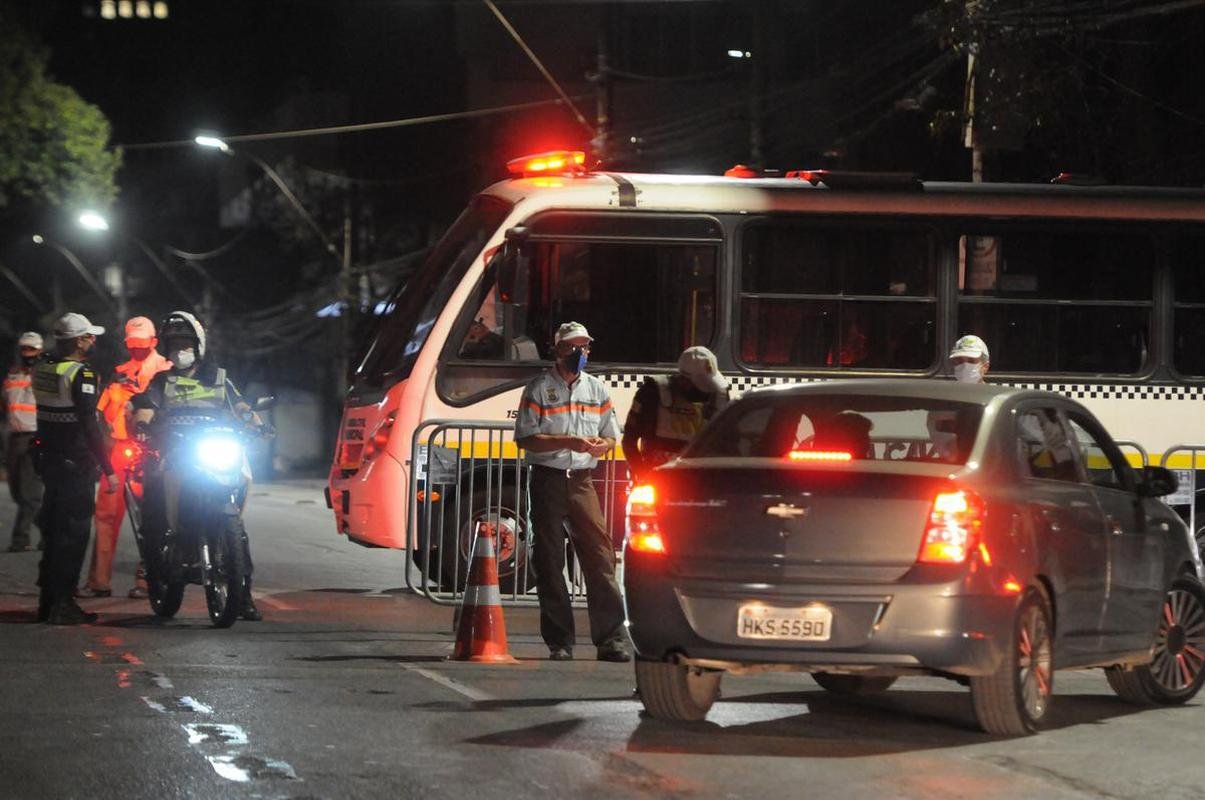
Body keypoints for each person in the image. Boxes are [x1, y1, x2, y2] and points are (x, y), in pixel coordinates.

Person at [131, 311, 264, 621]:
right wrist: (142, 424)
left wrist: (257, 424)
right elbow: (146, 407)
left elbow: (242, 407)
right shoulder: (161, 380)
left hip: (215, 451)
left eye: (186, 342)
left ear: (199, 345)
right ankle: (157, 570)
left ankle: (242, 594)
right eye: (175, 343)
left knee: (238, 528)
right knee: (153, 512)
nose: (180, 349)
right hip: (175, 454)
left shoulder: (219, 378)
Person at [514, 321, 630, 663]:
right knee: (549, 561)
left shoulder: (597, 389)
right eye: (572, 347)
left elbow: (611, 435)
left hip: (582, 481)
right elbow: (526, 438)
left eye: (585, 346)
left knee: (600, 557)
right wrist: (569, 441)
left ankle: (611, 639)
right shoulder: (538, 389)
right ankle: (560, 641)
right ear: (558, 350)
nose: (580, 353)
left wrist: (600, 446)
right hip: (548, 479)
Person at [79, 316, 172, 599]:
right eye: (132, 344)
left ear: (154, 342)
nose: (137, 349)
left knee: (152, 514)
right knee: (106, 513)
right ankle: (99, 581)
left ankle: (148, 579)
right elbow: (100, 411)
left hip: (153, 450)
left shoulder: (167, 372)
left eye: (143, 344)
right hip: (120, 449)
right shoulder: (119, 373)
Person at [32, 314, 116, 624]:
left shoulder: (42, 368)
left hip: (49, 460)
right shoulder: (82, 374)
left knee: (53, 531)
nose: (94, 340)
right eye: (89, 336)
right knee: (73, 534)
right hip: (75, 465)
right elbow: (90, 427)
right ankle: (63, 604)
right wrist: (108, 469)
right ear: (79, 341)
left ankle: (47, 600)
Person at [621, 345, 730, 483]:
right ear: (684, 379)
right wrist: (643, 474)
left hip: (704, 483)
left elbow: (730, 444)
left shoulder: (720, 396)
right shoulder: (653, 393)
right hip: (659, 481)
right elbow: (629, 440)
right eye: (702, 383)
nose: (707, 390)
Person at [3, 332, 45, 552]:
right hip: (14, 438)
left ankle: (20, 539)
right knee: (17, 492)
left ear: (39, 351)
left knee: (30, 492)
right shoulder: (12, 374)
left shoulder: (44, 374)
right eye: (25, 349)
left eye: (32, 349)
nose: (28, 353)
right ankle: (49, 531)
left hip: (34, 437)